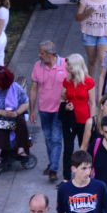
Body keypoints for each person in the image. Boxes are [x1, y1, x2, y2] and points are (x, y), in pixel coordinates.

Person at [30, 41, 67, 182]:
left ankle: (53, 169)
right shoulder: (37, 66)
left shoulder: (65, 64)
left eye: (42, 53)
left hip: (59, 109)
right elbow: (33, 88)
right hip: (44, 109)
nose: (39, 55)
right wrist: (32, 110)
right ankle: (53, 163)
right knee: (48, 138)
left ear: (51, 54)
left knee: (56, 139)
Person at [59, 55, 96, 181]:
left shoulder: (88, 81)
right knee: (68, 148)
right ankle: (66, 178)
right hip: (69, 119)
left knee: (84, 147)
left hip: (84, 120)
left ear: (76, 65)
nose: (66, 67)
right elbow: (62, 97)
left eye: (69, 65)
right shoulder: (67, 80)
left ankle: (85, 175)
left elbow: (92, 102)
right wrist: (66, 103)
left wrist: (92, 120)